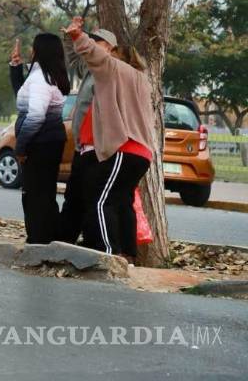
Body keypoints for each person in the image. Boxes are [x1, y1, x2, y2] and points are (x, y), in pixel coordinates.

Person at [64, 17, 157, 259]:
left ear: (117, 55)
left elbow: (95, 55)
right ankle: (127, 254)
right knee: (121, 201)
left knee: (98, 199)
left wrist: (77, 36)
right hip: (142, 154)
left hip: (125, 150)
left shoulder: (115, 70)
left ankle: (108, 253)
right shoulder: (142, 81)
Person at [57, 26, 118, 244]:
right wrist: (70, 36)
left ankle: (93, 243)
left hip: (96, 148)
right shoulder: (91, 70)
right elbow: (75, 56)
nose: (90, 46)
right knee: (73, 197)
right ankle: (65, 240)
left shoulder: (107, 71)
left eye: (96, 43)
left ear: (109, 49)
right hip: (81, 146)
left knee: (91, 198)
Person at [12, 33, 70, 244]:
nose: (30, 51)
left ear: (39, 51)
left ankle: (38, 239)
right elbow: (21, 95)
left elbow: (35, 115)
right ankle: (48, 236)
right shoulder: (50, 76)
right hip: (51, 141)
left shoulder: (40, 79)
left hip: (40, 143)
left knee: (34, 193)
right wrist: (15, 67)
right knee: (45, 192)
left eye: (33, 47)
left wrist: (20, 147)